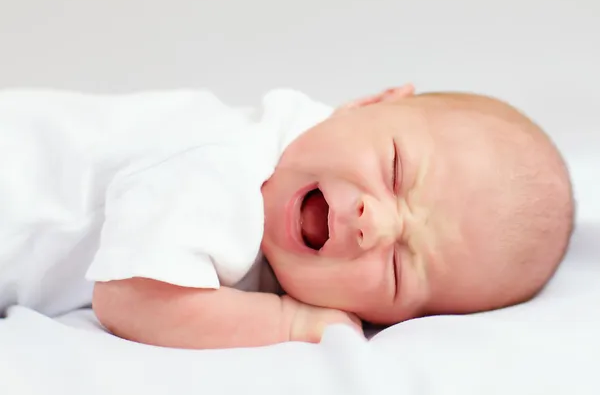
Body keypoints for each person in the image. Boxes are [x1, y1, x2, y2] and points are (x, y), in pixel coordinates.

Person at [0, 85, 574, 349]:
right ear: (370, 103)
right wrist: (288, 324)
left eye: (399, 270)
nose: (373, 222)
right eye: (396, 170)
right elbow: (131, 297)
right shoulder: (229, 165)